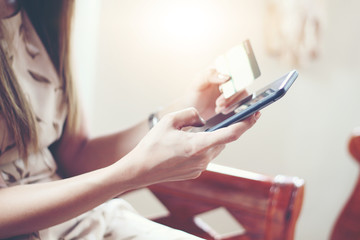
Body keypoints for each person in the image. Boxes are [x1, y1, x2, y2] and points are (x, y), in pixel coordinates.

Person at [0, 0, 261, 239]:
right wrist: (128, 175)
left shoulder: (41, 10)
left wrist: (186, 109)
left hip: (77, 222)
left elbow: (74, 157)